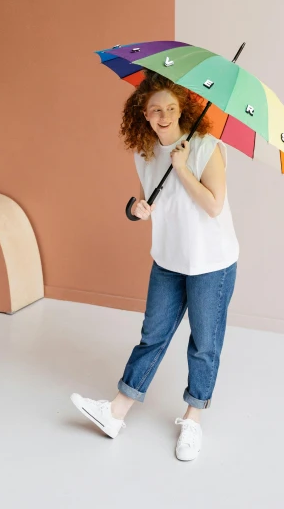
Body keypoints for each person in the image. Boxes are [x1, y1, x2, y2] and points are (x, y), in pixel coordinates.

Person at [71, 70, 239, 460]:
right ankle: (115, 413)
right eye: (155, 109)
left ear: (183, 109)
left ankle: (193, 420)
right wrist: (135, 209)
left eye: (170, 108)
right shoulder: (145, 152)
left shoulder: (204, 146)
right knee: (153, 335)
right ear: (142, 114)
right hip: (168, 258)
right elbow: (155, 203)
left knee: (204, 345)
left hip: (211, 263)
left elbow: (214, 205)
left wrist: (182, 168)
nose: (163, 115)